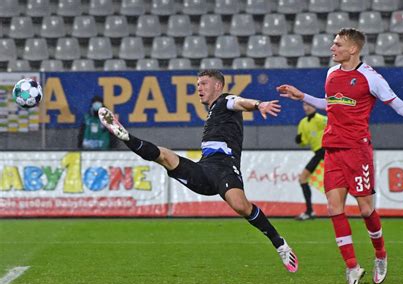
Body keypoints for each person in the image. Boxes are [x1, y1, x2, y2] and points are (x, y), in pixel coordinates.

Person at [277, 28, 403, 284]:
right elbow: (330, 104)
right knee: (334, 208)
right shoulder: (331, 74)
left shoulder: (370, 78)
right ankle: (352, 266)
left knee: (365, 210)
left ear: (353, 49)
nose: (332, 48)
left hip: (357, 150)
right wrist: (302, 96)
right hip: (333, 149)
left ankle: (380, 254)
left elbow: (398, 105)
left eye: (337, 44)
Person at [99, 69, 298, 273]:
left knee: (241, 206)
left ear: (218, 86)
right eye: (197, 85)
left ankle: (279, 243)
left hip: (224, 168)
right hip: (205, 170)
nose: (199, 88)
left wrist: (259, 105)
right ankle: (126, 137)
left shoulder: (224, 101)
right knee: (165, 157)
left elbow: (240, 102)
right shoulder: (213, 111)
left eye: (203, 83)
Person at [294, 102, 327, 221]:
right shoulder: (303, 123)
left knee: (345, 180)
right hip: (318, 153)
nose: (306, 107)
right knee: (302, 179)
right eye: (304, 105)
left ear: (315, 106)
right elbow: (304, 142)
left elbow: (335, 128)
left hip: (327, 151)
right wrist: (299, 141)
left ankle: (364, 205)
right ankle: (309, 211)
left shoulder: (321, 119)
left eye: (309, 105)